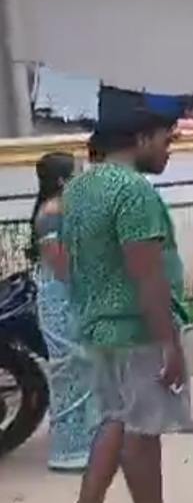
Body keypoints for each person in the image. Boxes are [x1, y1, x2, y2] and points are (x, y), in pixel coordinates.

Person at [61, 112, 193, 503]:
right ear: (142, 138)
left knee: (116, 418)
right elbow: (146, 271)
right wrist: (168, 343)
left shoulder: (79, 188)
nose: (169, 149)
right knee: (142, 428)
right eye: (166, 140)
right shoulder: (132, 191)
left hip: (98, 325)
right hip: (136, 329)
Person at [30, 152, 98, 474]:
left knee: (81, 369)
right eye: (76, 173)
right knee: (70, 370)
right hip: (60, 298)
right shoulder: (50, 215)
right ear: (61, 180)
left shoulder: (63, 210)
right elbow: (61, 265)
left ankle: (83, 443)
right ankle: (68, 450)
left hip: (69, 295)